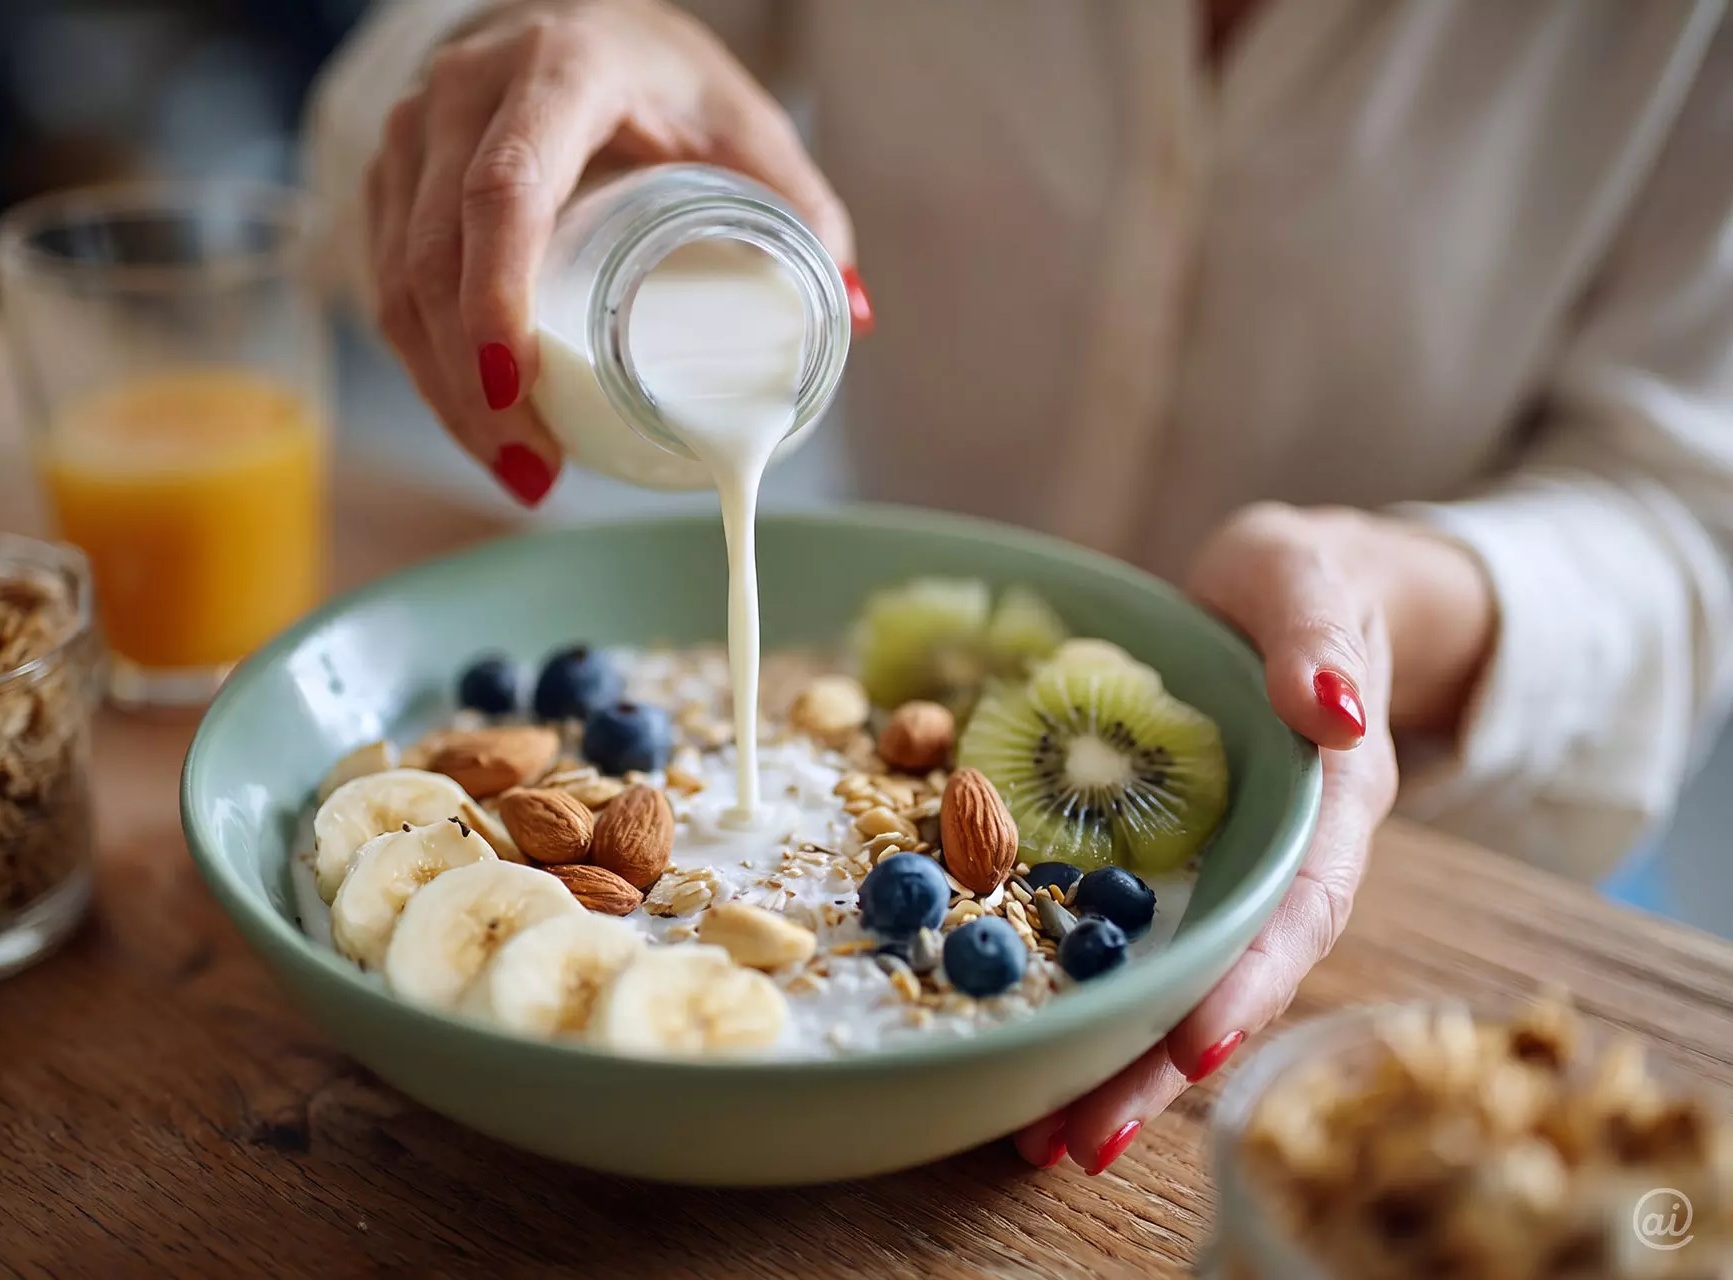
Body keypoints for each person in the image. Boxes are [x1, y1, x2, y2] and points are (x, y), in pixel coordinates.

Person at [303, 0, 1733, 1176]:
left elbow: (1690, 516)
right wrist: (526, 48)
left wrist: (1395, 597)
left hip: (1480, 882)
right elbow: (375, 114)